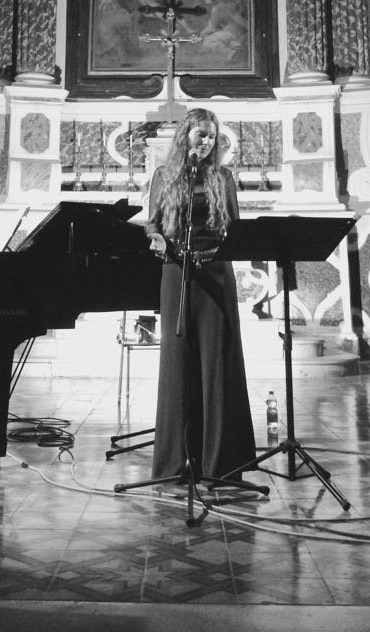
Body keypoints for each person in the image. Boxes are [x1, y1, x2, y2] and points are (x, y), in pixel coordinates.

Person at [146, 108, 256, 482]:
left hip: (215, 273)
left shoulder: (223, 177)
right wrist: (157, 239)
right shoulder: (165, 175)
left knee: (217, 363)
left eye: (211, 136)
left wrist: (221, 248)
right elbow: (152, 223)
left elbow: (235, 228)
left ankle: (222, 464)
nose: (206, 142)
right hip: (177, 271)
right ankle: (175, 463)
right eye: (200, 135)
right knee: (177, 363)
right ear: (186, 137)